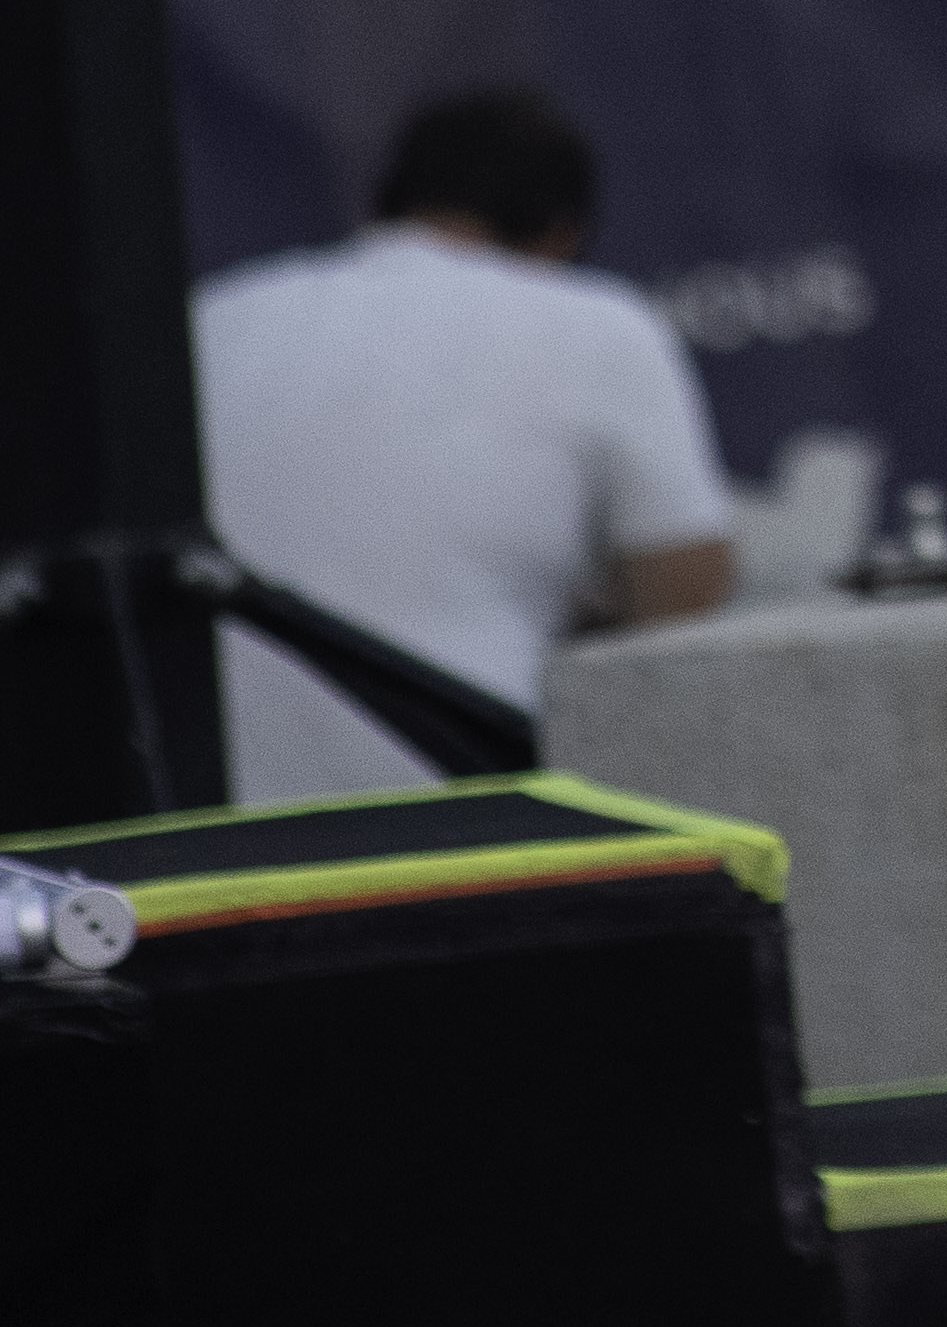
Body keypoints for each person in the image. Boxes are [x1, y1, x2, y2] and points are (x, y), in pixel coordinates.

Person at [194, 85, 736, 798]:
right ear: (561, 235)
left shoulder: (213, 318)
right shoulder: (598, 324)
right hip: (456, 809)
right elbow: (687, 593)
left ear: (381, 208)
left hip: (194, 808)